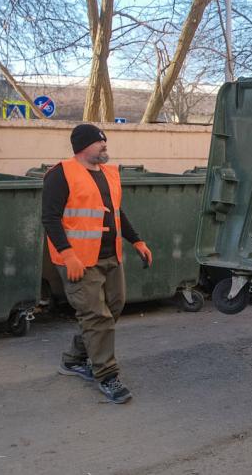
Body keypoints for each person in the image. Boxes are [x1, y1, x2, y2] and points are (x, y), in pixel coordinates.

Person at [41, 124, 152, 405]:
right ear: (82, 146)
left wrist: (136, 241)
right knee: (96, 317)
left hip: (109, 255)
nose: (105, 146)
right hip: (78, 259)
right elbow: (50, 218)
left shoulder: (108, 174)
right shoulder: (61, 174)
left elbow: (117, 213)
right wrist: (67, 255)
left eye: (105, 141)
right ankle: (106, 374)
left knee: (113, 307)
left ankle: (73, 359)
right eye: (99, 142)